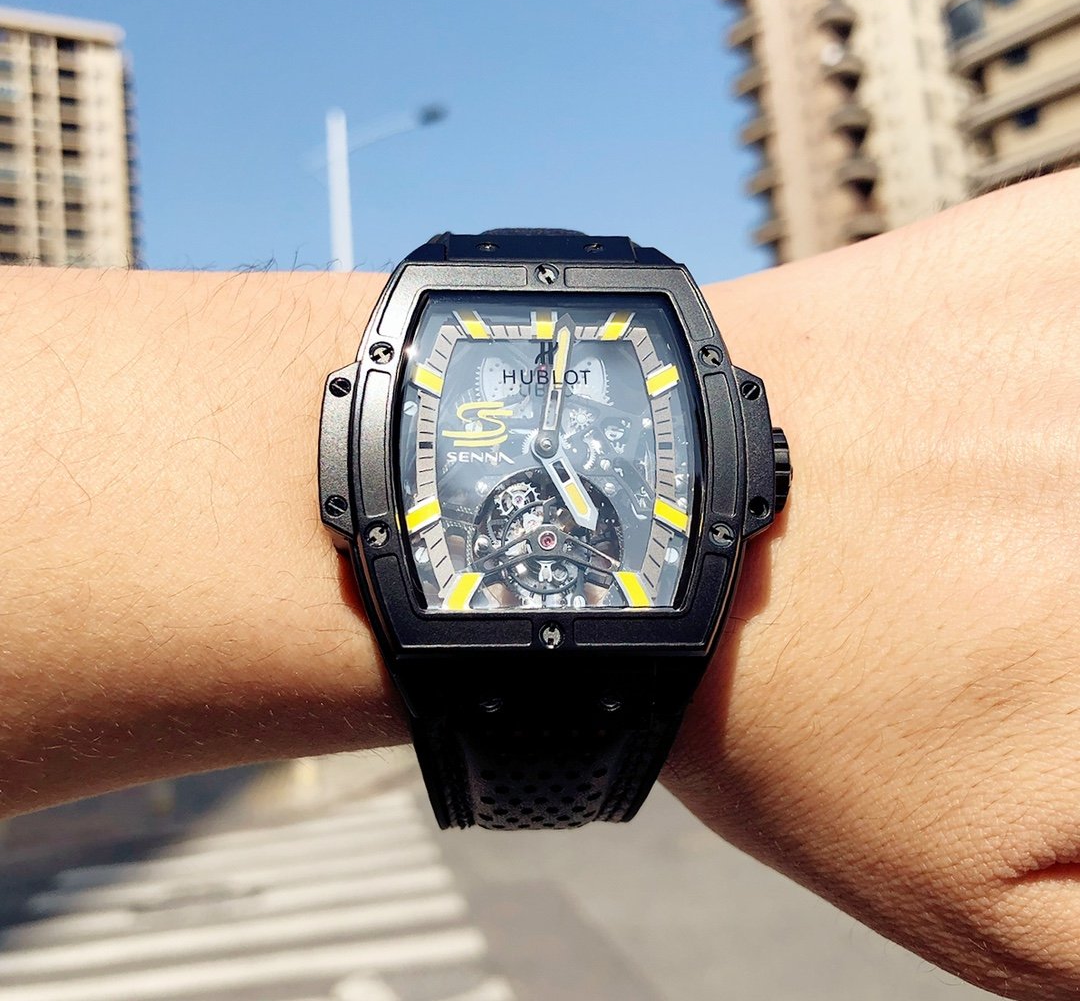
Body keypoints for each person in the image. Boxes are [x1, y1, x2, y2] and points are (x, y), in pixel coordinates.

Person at [1, 168, 1077, 1001]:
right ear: (348, 469)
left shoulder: (676, 456)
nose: (537, 470)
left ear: (751, 472)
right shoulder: (419, 458)